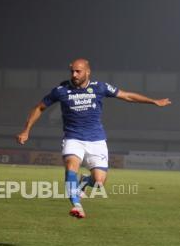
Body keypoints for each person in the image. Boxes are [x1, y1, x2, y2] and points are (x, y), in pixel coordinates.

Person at [16, 58, 171, 218]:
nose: (74, 75)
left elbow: (126, 96)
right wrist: (26, 130)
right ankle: (77, 205)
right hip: (73, 138)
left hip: (97, 140)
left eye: (78, 71)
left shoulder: (100, 87)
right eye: (72, 71)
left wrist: (153, 101)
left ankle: (84, 182)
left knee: (99, 182)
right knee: (71, 167)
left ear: (87, 72)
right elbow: (39, 107)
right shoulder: (61, 90)